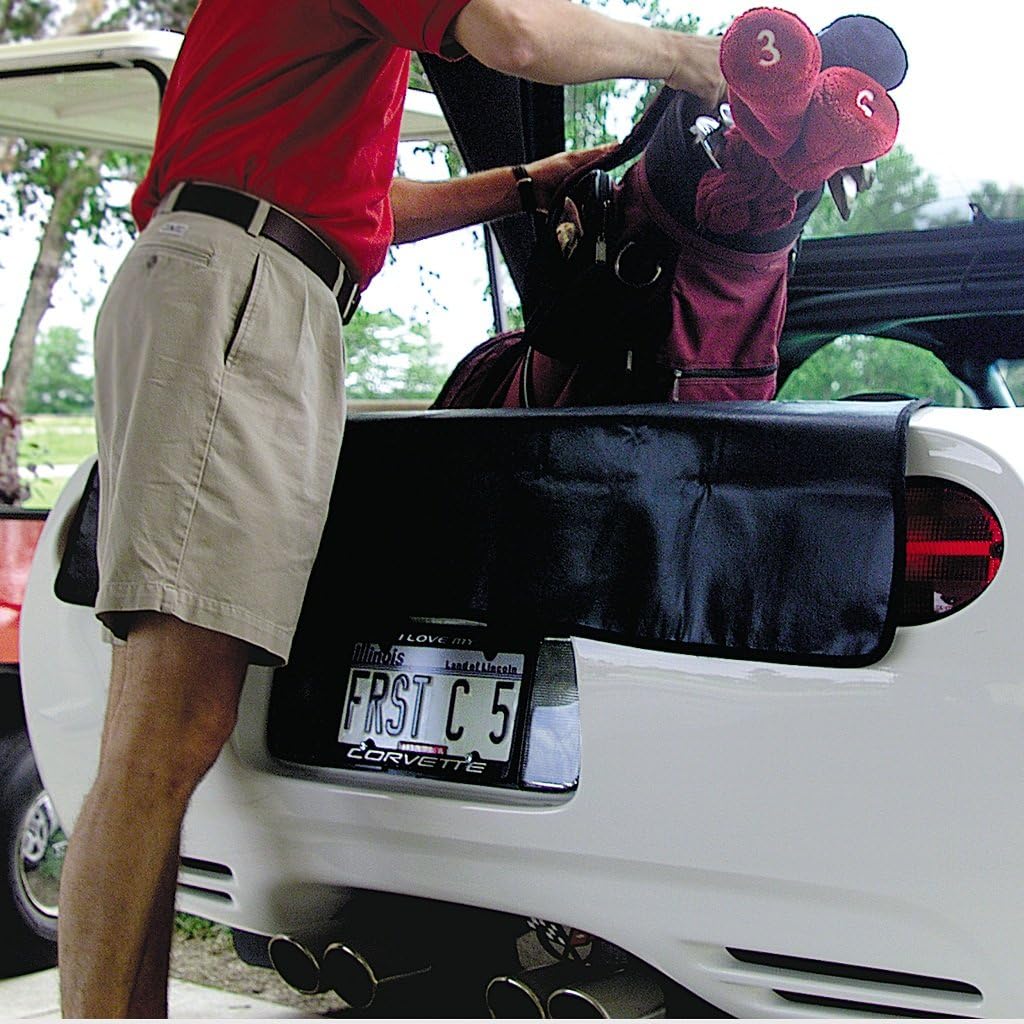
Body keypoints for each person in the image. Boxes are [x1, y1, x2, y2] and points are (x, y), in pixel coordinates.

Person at [57, 0, 726, 1017]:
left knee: (157, 736)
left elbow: (364, 203)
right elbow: (517, 36)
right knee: (166, 735)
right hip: (241, 293)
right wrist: (686, 57)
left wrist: (523, 183)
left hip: (228, 279)